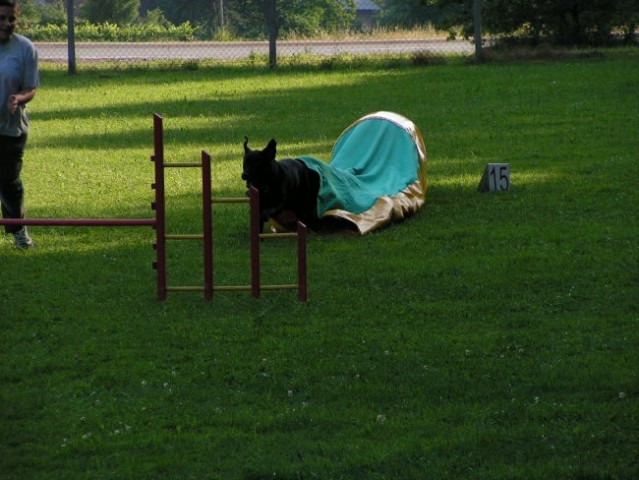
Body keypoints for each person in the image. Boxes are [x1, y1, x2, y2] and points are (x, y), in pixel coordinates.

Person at [0, 0, 38, 249]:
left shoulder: (25, 48)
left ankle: (18, 231)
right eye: (1, 18)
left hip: (11, 129)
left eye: (10, 19)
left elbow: (31, 87)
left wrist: (19, 98)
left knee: (8, 181)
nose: (6, 24)